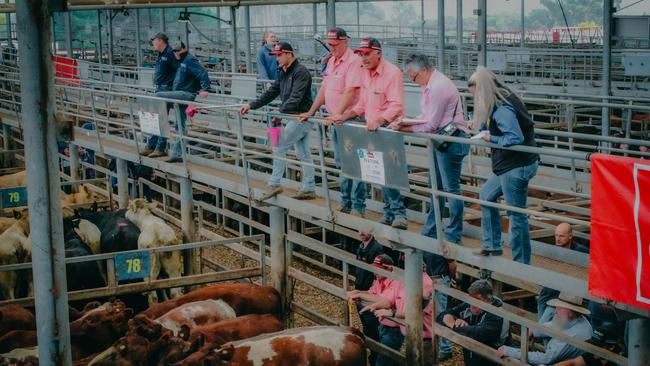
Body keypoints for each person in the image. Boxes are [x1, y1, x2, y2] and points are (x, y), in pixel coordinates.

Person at [388, 53, 469, 244]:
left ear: (424, 70)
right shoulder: (431, 84)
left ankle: (453, 232)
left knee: (450, 189)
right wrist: (408, 120)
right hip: (442, 140)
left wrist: (405, 127)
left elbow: (431, 124)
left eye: (414, 77)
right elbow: (427, 117)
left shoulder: (438, 87)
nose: (413, 81)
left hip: (450, 141)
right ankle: (433, 228)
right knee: (437, 188)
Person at [333, 38, 408, 230]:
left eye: (367, 54)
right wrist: (347, 115)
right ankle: (389, 212)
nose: (364, 58)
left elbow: (396, 104)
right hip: (372, 130)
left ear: (378, 53)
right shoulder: (365, 73)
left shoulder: (392, 73)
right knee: (378, 172)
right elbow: (363, 104)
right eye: (361, 54)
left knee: (390, 172)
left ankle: (399, 213)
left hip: (388, 130)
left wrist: (380, 120)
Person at [468, 66, 539, 264]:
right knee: (486, 195)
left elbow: (515, 137)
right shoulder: (501, 98)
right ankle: (491, 245)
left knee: (516, 214)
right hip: (510, 164)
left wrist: (491, 138)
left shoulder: (503, 108)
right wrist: (478, 126)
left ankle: (521, 262)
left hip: (516, 164)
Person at [298, 27, 366, 217]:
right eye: (330, 45)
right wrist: (311, 111)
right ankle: (346, 201)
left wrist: (337, 113)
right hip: (337, 120)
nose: (332, 48)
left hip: (352, 119)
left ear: (346, 42)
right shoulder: (332, 61)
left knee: (355, 163)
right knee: (342, 162)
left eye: (335, 45)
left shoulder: (353, 62)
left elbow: (351, 90)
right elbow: (325, 89)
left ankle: (358, 205)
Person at [240, 42, 314, 201]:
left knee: (278, 145)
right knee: (303, 153)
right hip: (290, 117)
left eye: (280, 55)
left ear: (290, 54)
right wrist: (251, 105)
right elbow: (271, 92)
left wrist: (280, 112)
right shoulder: (282, 71)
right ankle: (309, 187)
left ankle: (274, 184)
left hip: (301, 117)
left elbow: (296, 97)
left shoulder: (301, 72)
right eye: (275, 55)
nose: (277, 59)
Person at [362, 264, 434, 366]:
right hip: (409, 333)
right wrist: (375, 305)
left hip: (424, 337)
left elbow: (413, 311)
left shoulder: (426, 285)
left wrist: (392, 313)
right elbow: (390, 299)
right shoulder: (405, 280)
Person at [154, 41, 210, 163]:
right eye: (174, 51)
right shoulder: (181, 61)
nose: (176, 53)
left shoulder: (189, 60)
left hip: (186, 94)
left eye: (178, 50)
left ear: (184, 49)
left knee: (158, 95)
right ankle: (177, 154)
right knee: (180, 124)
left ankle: (161, 139)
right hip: (180, 94)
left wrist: (205, 89)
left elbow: (203, 72)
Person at [498, 292, 593, 365]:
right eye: (556, 307)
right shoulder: (572, 318)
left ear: (571, 312)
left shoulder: (576, 334)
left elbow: (547, 359)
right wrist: (534, 331)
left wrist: (510, 351)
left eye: (559, 308)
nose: (555, 311)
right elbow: (554, 325)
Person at [436, 280, 508, 366]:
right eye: (471, 299)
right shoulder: (469, 305)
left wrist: (454, 325)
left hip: (493, 362)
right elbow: (441, 316)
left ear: (487, 300)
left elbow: (478, 334)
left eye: (477, 300)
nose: (472, 304)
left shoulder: (497, 314)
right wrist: (455, 320)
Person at [347, 254, 402, 366]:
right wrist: (358, 292)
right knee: (391, 359)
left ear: (389, 269)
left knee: (383, 361)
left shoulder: (396, 283)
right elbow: (372, 293)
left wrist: (359, 294)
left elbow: (384, 300)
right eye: (375, 268)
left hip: (394, 327)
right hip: (383, 324)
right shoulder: (378, 280)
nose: (375, 272)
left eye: (379, 269)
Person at [537, 223, 589, 320]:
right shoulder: (552, 251)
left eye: (561, 236)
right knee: (543, 304)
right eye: (556, 235)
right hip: (551, 291)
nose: (558, 239)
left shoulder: (581, 251)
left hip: (569, 292)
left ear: (570, 236)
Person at [143, 32, 179, 158]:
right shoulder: (161, 53)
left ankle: (160, 147)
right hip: (159, 88)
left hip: (166, 89)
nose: (153, 43)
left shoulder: (169, 53)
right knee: (155, 118)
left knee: (161, 118)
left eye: (154, 41)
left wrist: (173, 86)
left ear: (160, 40)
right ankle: (151, 145)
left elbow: (178, 69)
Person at [549, 323, 624, 366]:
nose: (592, 349)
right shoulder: (594, 355)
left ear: (611, 347)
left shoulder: (621, 361)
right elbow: (572, 363)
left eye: (597, 346)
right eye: (592, 344)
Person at [354, 227, 384, 292]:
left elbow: (379, 270)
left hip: (369, 287)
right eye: (359, 230)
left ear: (371, 230)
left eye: (364, 229)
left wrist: (374, 286)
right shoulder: (360, 246)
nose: (361, 233)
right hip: (359, 283)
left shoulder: (377, 248)